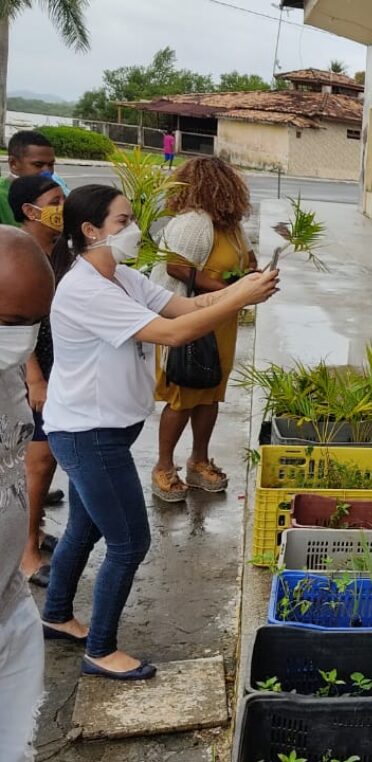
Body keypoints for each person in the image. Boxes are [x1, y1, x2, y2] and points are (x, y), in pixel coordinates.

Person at [41, 185, 279, 680]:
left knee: (85, 527)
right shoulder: (85, 289)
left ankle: (57, 614)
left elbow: (187, 308)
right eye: (122, 221)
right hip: (90, 435)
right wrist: (242, 297)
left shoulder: (120, 277)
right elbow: (174, 333)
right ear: (90, 231)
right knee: (129, 542)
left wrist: (242, 288)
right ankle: (100, 650)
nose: (133, 230)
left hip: (104, 431)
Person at [148, 157, 258, 502]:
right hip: (188, 318)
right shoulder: (194, 222)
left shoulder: (231, 226)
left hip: (221, 322)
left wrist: (251, 278)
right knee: (183, 394)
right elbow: (177, 268)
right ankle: (164, 467)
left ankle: (199, 461)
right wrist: (228, 290)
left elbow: (249, 260)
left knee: (210, 393)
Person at [0, 228, 55, 758]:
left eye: (33, 324)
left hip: (9, 603)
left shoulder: (8, 367)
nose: (22, 340)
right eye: (12, 322)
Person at [10, 175, 66, 587]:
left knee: (48, 460)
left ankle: (37, 529)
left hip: (60, 367)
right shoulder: (18, 252)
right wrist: (34, 377)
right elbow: (17, 319)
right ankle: (26, 553)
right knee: (38, 460)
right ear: (30, 211)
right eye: (55, 201)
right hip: (31, 371)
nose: (62, 209)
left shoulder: (60, 250)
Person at [0, 130, 57, 227]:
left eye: (51, 164)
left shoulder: (55, 194)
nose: (47, 171)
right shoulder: (2, 198)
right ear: (13, 163)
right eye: (38, 165)